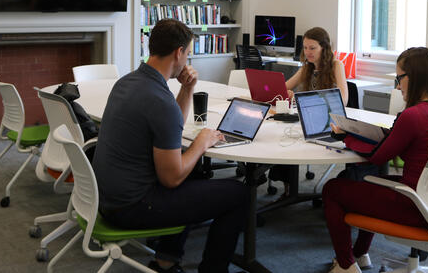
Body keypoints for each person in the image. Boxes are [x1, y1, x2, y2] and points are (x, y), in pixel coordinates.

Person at [92, 19, 249, 273]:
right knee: (237, 194)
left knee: (195, 171)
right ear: (179, 53)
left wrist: (187, 89)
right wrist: (200, 143)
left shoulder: (128, 82)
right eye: (188, 54)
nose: (188, 60)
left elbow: (169, 127)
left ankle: (166, 260)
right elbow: (172, 179)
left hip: (107, 197)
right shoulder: (160, 101)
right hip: (132, 207)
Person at [322, 47, 428, 273]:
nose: (397, 86)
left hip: (416, 208)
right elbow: (414, 147)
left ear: (414, 77)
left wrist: (346, 135)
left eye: (400, 78)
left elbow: (378, 156)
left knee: (332, 189)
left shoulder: (413, 116)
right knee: (370, 183)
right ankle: (359, 255)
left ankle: (345, 265)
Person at [268, 27, 348, 198]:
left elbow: (344, 99)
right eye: (305, 47)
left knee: (288, 136)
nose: (308, 52)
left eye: (312, 48)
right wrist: (286, 93)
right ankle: (288, 184)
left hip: (329, 121)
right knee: (282, 136)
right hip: (308, 117)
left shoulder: (336, 65)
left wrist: (305, 98)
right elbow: (284, 88)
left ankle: (290, 187)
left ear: (324, 48)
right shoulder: (307, 67)